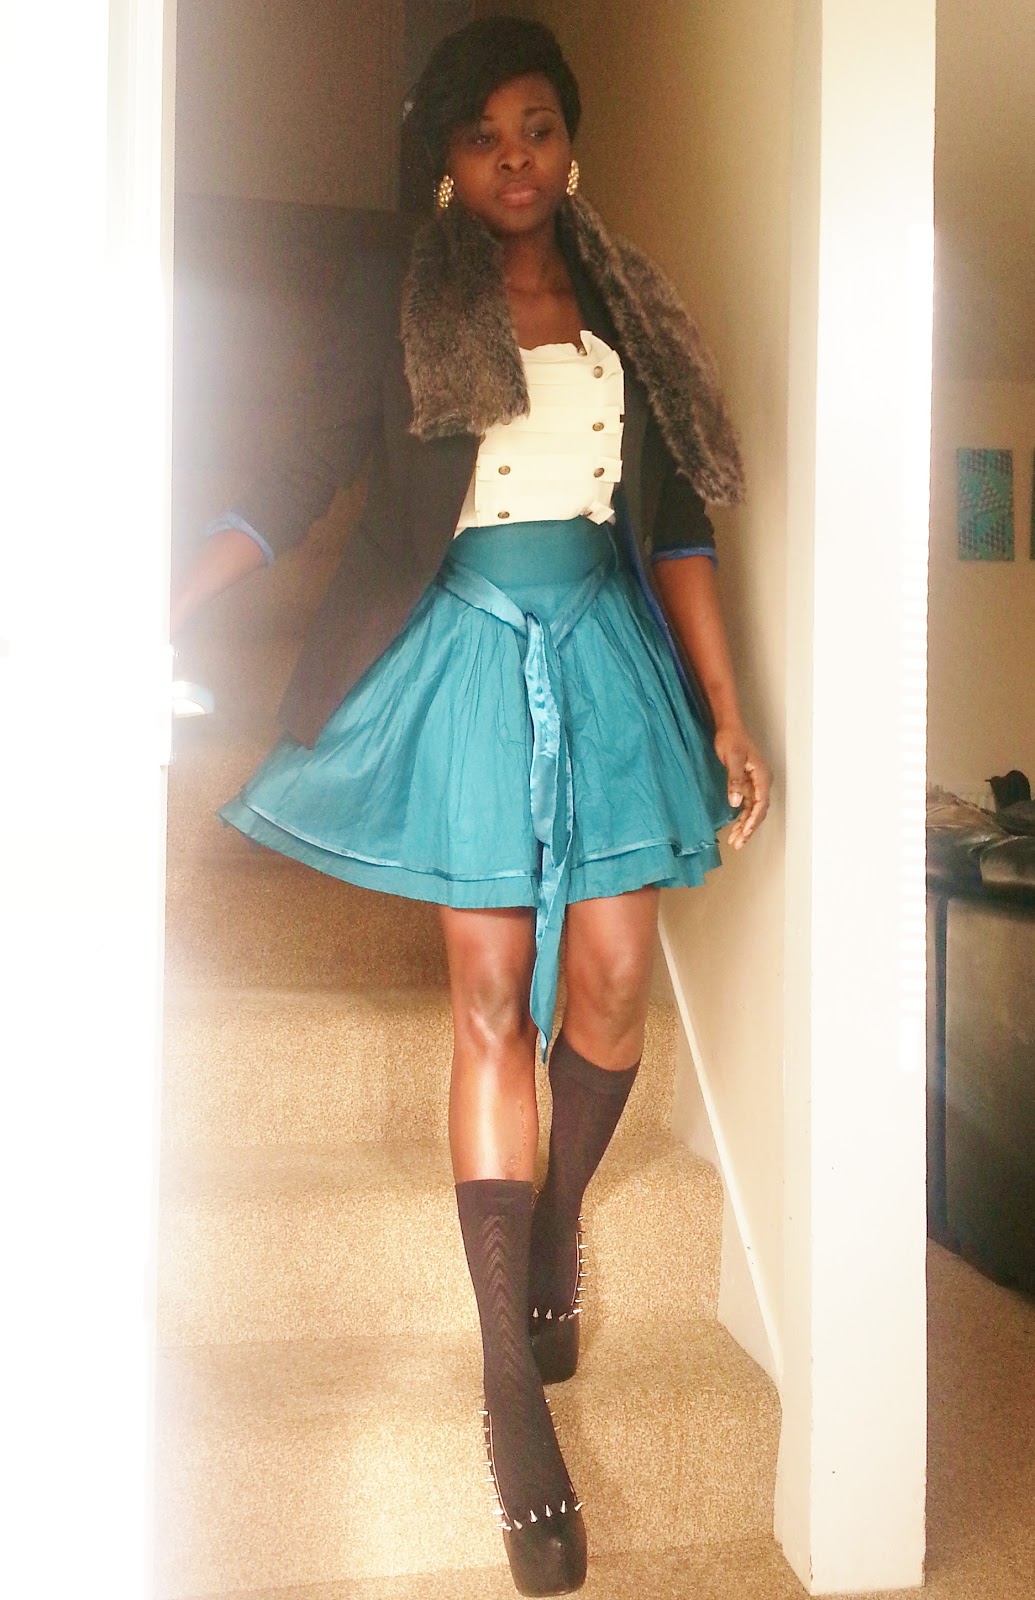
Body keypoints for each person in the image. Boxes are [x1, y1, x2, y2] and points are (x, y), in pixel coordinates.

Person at [171, 17, 770, 1596]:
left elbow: (678, 523)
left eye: (538, 127)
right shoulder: (403, 297)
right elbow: (303, 477)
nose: (515, 157)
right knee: (491, 997)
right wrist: (164, 598)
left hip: (609, 651)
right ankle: (513, 1386)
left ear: (572, 141)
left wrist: (725, 708)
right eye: (483, 133)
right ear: (444, 158)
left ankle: (556, 1215)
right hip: (462, 651)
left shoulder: (626, 302)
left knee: (617, 979)